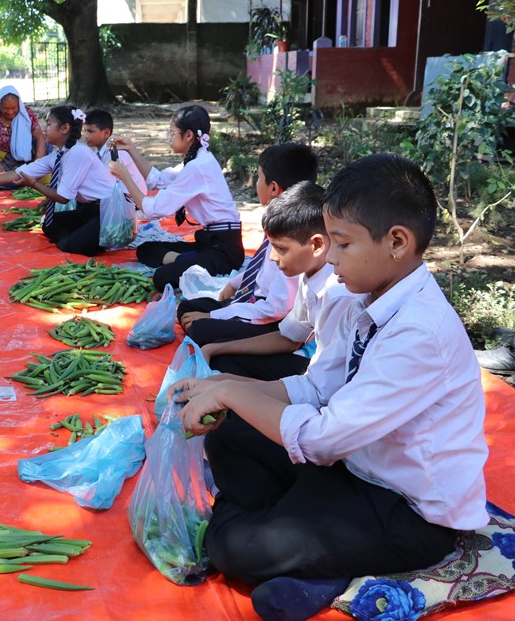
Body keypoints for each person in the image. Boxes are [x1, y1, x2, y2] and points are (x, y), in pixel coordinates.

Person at [175, 154, 487, 621]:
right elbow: (317, 384)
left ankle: (314, 555)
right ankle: (305, 544)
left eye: (341, 244)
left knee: (233, 550)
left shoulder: (420, 331)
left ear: (397, 242)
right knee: (231, 432)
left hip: (405, 509)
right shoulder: (370, 298)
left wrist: (232, 393)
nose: (331, 259)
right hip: (355, 468)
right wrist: (224, 384)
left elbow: (322, 439)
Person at [199, 182, 355, 381]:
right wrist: (216, 348)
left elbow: (325, 383)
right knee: (222, 359)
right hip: (319, 376)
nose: (272, 257)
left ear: (317, 245)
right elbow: (288, 338)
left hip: (328, 383)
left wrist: (231, 388)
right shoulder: (310, 276)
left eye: (281, 248)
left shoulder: (337, 293)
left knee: (225, 372)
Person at [173, 143, 319, 347]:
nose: (274, 256)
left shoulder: (296, 241)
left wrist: (214, 315)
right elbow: (260, 269)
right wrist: (234, 284)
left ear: (274, 188)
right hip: (252, 301)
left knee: (201, 328)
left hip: (271, 320)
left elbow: (275, 309)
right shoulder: (280, 223)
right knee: (188, 308)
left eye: (259, 177)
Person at [108, 104, 243, 292]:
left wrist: (125, 176)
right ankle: (187, 261)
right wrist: (131, 149)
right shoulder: (195, 161)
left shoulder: (198, 167)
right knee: (146, 250)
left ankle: (189, 262)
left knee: (162, 277)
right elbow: (158, 180)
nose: (169, 138)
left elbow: (152, 208)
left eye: (172, 133)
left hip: (224, 250)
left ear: (188, 135)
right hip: (209, 242)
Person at [0, 106, 117, 256]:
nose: (44, 129)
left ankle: (85, 239)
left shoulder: (78, 153)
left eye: (49, 124)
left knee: (72, 245)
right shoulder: (60, 154)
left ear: (64, 128)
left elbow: (63, 198)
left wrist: (34, 184)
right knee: (49, 224)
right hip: (88, 209)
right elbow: (18, 174)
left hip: (108, 211)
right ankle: (84, 236)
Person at [0, 86, 46, 176]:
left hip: (26, 157)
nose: (10, 112)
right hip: (1, 158)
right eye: (5, 108)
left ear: (19, 105)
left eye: (13, 108)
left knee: (46, 144)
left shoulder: (27, 114)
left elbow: (40, 136)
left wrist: (35, 164)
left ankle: (37, 177)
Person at [82, 109, 145, 195]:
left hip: (131, 202)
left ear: (106, 133)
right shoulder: (99, 150)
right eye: (84, 131)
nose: (85, 135)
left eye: (90, 131)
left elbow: (104, 185)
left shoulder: (114, 153)